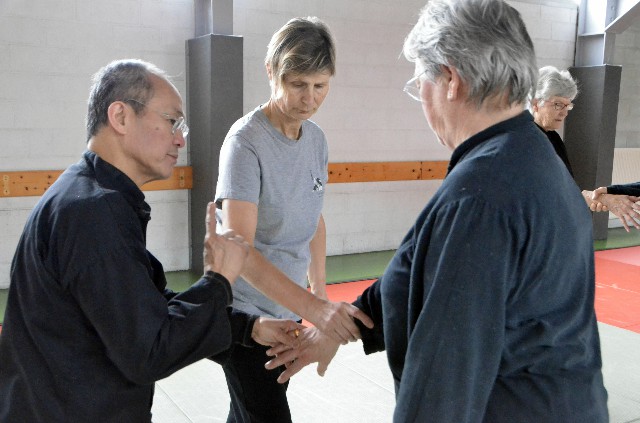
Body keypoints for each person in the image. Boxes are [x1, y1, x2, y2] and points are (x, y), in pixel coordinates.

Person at [265, 1, 609, 422]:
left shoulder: (480, 196)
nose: (421, 101)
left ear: (450, 80)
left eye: (419, 85)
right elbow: (417, 268)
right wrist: (344, 325)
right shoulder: (529, 155)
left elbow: (443, 382)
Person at [0, 59, 301, 422]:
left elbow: (146, 305)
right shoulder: (92, 212)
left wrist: (248, 328)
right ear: (120, 117)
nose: (180, 139)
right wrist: (219, 279)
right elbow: (149, 350)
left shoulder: (89, 196)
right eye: (172, 121)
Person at [214, 16, 344, 423]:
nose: (309, 99)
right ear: (271, 72)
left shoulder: (316, 140)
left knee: (247, 414)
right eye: (298, 84)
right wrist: (315, 309)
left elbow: (313, 219)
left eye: (320, 86)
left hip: (288, 313)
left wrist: (319, 294)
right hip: (245, 318)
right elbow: (239, 252)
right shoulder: (245, 143)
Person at [530, 65, 578, 176]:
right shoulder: (524, 140)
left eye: (567, 106)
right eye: (558, 104)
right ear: (536, 104)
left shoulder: (554, 137)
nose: (564, 113)